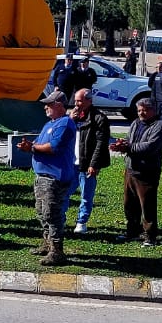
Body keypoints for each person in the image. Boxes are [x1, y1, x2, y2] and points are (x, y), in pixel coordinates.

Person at [18, 91, 77, 265]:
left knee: (52, 214)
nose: (45, 107)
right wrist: (30, 146)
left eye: (49, 104)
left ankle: (57, 251)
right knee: (41, 212)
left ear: (59, 105)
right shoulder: (49, 124)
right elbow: (38, 143)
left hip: (55, 177)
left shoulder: (65, 123)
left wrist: (32, 148)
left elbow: (53, 147)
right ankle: (47, 243)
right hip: (42, 176)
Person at [111, 99, 162, 246]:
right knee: (129, 204)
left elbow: (150, 147)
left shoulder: (159, 125)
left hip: (147, 172)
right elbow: (129, 140)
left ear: (153, 110)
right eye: (139, 110)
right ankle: (133, 232)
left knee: (147, 205)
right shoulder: (136, 123)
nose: (141, 113)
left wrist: (128, 147)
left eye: (145, 110)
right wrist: (121, 144)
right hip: (131, 170)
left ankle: (150, 235)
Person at [67, 89, 112, 235]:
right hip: (71, 163)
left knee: (86, 195)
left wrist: (94, 164)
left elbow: (101, 144)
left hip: (87, 164)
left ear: (89, 101)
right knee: (64, 192)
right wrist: (70, 120)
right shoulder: (72, 116)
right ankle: (60, 218)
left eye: (79, 101)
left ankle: (81, 222)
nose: (76, 104)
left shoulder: (99, 118)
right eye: (75, 100)